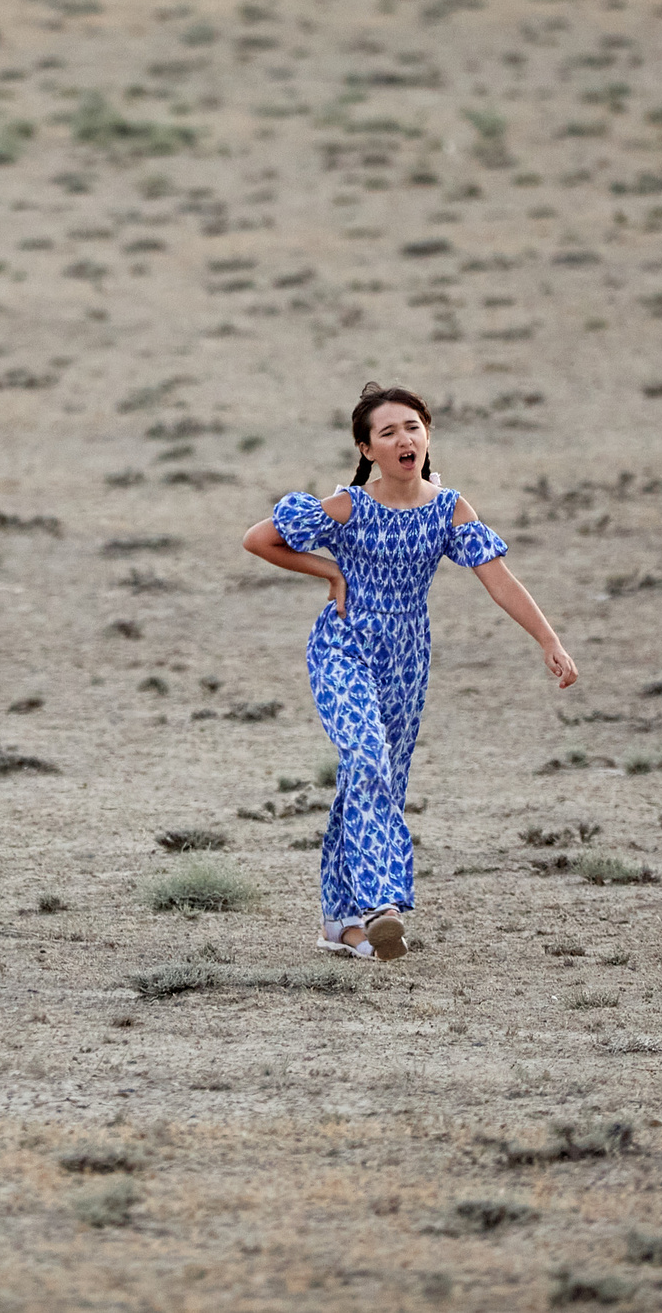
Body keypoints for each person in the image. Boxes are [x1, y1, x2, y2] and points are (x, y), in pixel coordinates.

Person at [241, 382, 578, 960]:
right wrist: (331, 572)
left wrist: (549, 640)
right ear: (367, 448)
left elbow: (499, 580)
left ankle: (339, 923)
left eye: (413, 427)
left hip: (406, 657)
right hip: (343, 647)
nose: (404, 439)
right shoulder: (349, 506)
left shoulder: (450, 509)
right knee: (367, 757)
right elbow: (259, 539)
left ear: (427, 436)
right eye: (388, 431)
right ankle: (381, 906)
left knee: (373, 780)